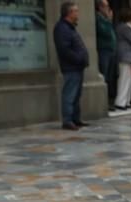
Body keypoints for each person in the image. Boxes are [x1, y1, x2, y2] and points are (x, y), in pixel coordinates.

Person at [53, 1, 89, 131]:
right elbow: (64, 50)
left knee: (76, 95)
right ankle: (67, 120)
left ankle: (75, 119)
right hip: (71, 67)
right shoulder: (62, 28)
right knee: (69, 94)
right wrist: (79, 58)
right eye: (76, 11)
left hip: (77, 67)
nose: (78, 13)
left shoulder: (70, 27)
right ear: (69, 13)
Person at [114, 8, 131, 111]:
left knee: (128, 80)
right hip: (125, 55)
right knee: (124, 79)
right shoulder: (125, 28)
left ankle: (126, 101)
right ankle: (120, 102)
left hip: (127, 55)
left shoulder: (125, 27)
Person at [95, 0, 117, 109]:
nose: (108, 9)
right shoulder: (98, 19)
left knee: (111, 77)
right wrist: (109, 20)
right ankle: (105, 102)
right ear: (100, 7)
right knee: (105, 75)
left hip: (111, 50)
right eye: (106, 6)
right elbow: (106, 32)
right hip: (104, 51)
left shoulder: (104, 19)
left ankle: (110, 99)